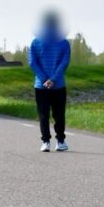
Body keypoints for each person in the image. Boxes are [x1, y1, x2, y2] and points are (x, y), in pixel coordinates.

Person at [29, 11, 71, 151]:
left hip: (41, 85)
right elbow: (64, 63)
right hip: (58, 85)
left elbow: (32, 63)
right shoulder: (64, 42)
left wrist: (44, 79)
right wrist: (52, 80)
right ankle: (60, 141)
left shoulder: (35, 42)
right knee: (59, 114)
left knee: (43, 114)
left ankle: (45, 142)